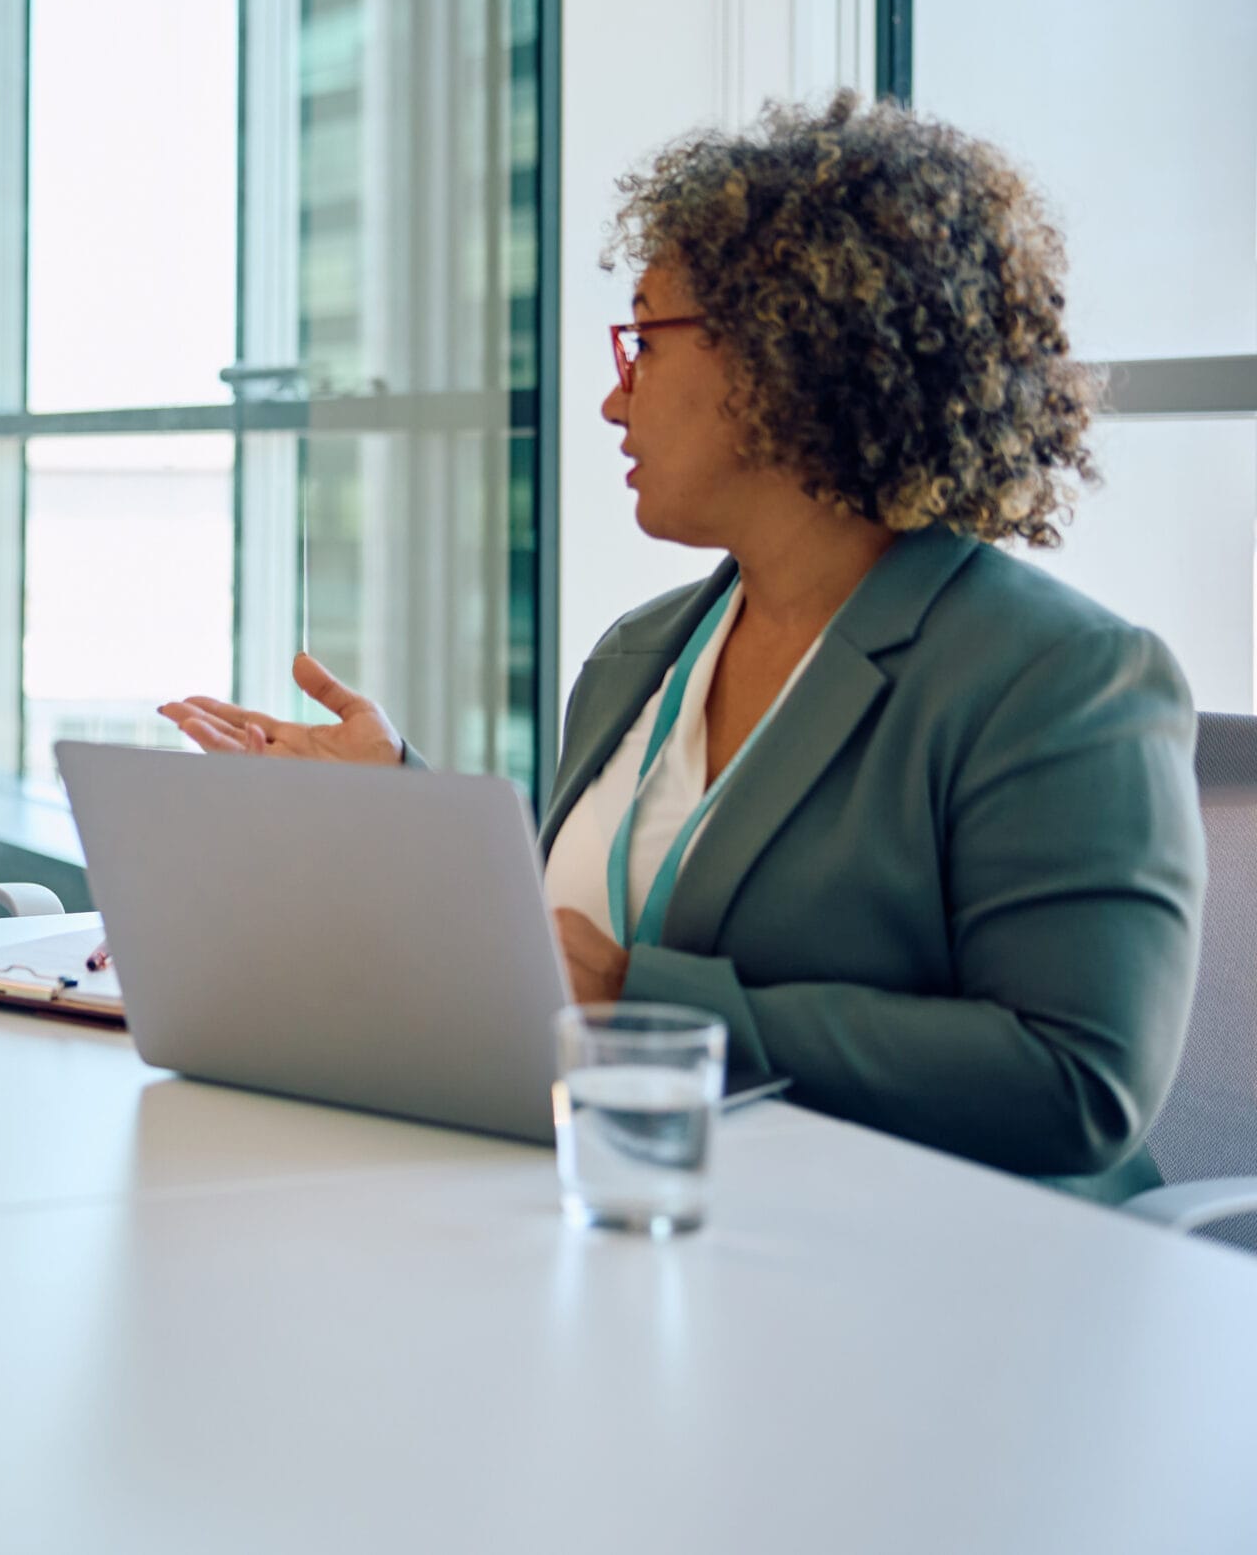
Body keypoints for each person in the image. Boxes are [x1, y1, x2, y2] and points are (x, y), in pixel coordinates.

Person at [161, 92, 1204, 1202]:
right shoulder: (640, 654)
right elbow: (576, 942)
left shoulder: (1058, 679)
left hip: (938, 1288)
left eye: (643, 340)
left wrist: (648, 1003)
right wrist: (398, 809)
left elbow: (1077, 1080)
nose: (613, 399)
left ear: (788, 353)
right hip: (643, 1225)